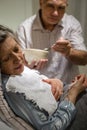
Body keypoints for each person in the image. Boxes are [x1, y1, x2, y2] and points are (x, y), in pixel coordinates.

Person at [0, 25, 87, 130]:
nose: (17, 58)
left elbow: (45, 87)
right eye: (7, 58)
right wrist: (73, 93)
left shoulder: (22, 70)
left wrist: (65, 85)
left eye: (16, 49)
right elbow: (50, 127)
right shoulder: (12, 89)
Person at [16, 0, 87, 84]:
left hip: (68, 87)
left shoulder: (72, 24)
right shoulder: (24, 29)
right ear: (41, 3)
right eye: (50, 6)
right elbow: (17, 65)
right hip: (39, 88)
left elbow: (84, 60)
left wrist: (69, 52)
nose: (55, 13)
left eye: (61, 7)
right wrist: (26, 67)